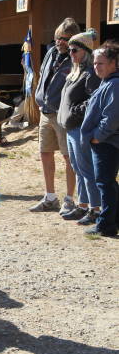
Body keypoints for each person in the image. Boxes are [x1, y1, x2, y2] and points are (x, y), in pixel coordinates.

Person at [30, 17, 79, 214]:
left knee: (69, 158)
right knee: (45, 153)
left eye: (66, 38)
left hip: (63, 115)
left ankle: (69, 199)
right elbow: (43, 76)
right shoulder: (50, 52)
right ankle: (50, 197)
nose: (61, 42)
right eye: (59, 37)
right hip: (45, 112)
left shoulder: (76, 58)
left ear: (74, 39)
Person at [57, 29, 101, 225]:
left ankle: (95, 208)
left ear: (85, 51)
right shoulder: (76, 71)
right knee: (77, 168)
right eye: (70, 50)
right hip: (70, 128)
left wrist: (75, 111)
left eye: (74, 50)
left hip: (79, 128)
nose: (71, 54)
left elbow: (93, 100)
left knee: (86, 169)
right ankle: (83, 205)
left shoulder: (90, 72)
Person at [80, 40, 119, 237]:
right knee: (107, 182)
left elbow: (112, 118)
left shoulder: (114, 84)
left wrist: (96, 137)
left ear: (114, 63)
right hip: (104, 142)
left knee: (105, 183)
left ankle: (106, 225)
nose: (96, 67)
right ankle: (112, 220)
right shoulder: (108, 83)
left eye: (101, 63)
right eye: (95, 63)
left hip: (107, 143)